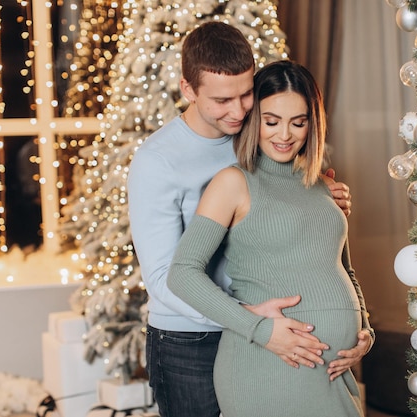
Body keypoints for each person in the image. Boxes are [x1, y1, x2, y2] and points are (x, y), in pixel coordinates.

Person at [127, 22, 372, 417]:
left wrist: (323, 197)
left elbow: (287, 213)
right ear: (188, 91)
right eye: (223, 100)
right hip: (188, 338)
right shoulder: (158, 162)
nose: (239, 110)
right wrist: (248, 320)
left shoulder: (256, 136)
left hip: (268, 330)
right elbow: (165, 277)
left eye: (246, 95)